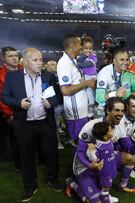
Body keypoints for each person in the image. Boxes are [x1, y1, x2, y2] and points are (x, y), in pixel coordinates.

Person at [2, 48, 62, 202]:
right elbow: (4, 97)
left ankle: (53, 180)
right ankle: (30, 186)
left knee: (51, 153)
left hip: (45, 123)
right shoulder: (12, 77)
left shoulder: (49, 76)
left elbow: (58, 95)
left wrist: (52, 102)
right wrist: (19, 103)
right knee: (26, 156)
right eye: (35, 60)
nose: (40, 62)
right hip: (24, 124)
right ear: (26, 61)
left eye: (41, 59)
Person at [57, 34, 96, 144]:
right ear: (73, 46)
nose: (81, 47)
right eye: (80, 44)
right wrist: (86, 83)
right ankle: (79, 160)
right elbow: (65, 90)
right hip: (76, 111)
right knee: (79, 140)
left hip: (80, 109)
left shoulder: (72, 61)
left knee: (83, 140)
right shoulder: (64, 63)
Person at [0, 46, 22, 165]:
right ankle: (11, 157)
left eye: (16, 55)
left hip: (25, 109)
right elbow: (1, 97)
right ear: (4, 58)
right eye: (10, 56)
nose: (14, 58)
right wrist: (9, 114)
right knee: (10, 137)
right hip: (8, 113)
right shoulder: (0, 74)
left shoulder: (25, 70)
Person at [87, 122, 117, 203]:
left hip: (111, 166)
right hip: (104, 171)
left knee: (108, 183)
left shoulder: (109, 140)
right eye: (111, 131)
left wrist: (113, 153)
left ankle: (105, 194)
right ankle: (105, 198)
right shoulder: (99, 146)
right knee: (106, 185)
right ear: (105, 136)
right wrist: (91, 151)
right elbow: (94, 159)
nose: (112, 132)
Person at [77, 35, 98, 117]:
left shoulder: (93, 56)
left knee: (89, 91)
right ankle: (86, 106)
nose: (88, 50)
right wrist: (84, 55)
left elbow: (89, 63)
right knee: (84, 92)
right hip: (84, 76)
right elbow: (78, 60)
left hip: (91, 76)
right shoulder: (81, 56)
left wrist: (79, 65)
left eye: (90, 48)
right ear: (81, 48)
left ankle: (92, 105)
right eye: (86, 48)